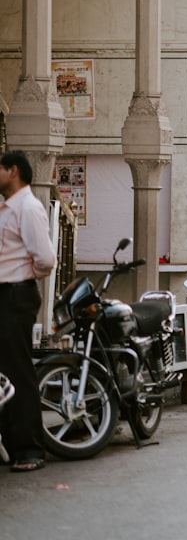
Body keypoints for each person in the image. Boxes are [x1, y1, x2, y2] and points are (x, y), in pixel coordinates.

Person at [0, 150, 56, 472]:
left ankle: (29, 448)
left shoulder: (29, 208)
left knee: (17, 371)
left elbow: (46, 260)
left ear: (14, 171)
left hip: (16, 295)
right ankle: (9, 443)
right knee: (3, 374)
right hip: (4, 294)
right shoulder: (6, 208)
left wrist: (23, 275)